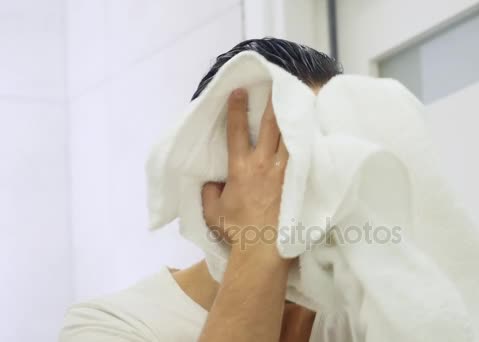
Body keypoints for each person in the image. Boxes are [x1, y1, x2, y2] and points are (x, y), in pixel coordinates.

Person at [60, 38, 359, 342]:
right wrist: (257, 242)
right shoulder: (111, 324)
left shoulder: (363, 315)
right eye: (274, 161)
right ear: (211, 173)